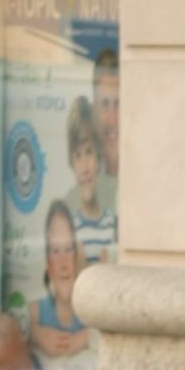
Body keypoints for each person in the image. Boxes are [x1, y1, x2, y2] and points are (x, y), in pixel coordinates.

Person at [28, 199, 100, 370]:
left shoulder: (94, 313)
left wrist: (88, 337)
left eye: (68, 249)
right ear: (47, 261)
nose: (63, 262)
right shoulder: (35, 314)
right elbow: (9, 333)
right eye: (56, 251)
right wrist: (34, 335)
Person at [66, 95, 116, 267]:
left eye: (89, 153)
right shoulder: (69, 227)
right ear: (71, 163)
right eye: (78, 156)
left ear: (99, 158)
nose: (85, 167)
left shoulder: (112, 225)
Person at [93, 47, 121, 207]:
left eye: (118, 104)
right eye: (105, 104)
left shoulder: (146, 185)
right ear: (94, 108)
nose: (112, 119)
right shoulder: (76, 199)